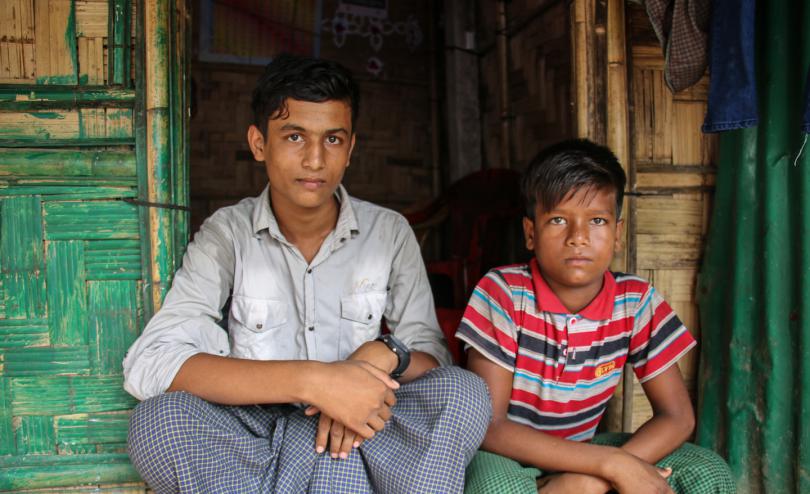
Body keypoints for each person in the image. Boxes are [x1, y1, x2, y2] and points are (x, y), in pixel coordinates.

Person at [123, 53, 491, 494]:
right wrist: (318, 382)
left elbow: (432, 357)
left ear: (351, 148)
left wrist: (387, 353)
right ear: (259, 144)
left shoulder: (388, 232)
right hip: (257, 435)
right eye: (294, 136)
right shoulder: (229, 233)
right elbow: (151, 362)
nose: (315, 159)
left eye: (332, 139)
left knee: (466, 394)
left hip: (366, 424)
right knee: (158, 423)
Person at [457, 139, 734, 493]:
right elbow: (491, 426)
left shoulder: (636, 302)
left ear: (617, 234)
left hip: (586, 450)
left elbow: (677, 417)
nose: (578, 238)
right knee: (495, 489)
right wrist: (612, 466)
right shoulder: (502, 293)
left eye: (597, 221)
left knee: (707, 472)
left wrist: (596, 478)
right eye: (558, 219)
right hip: (506, 455)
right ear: (531, 233)